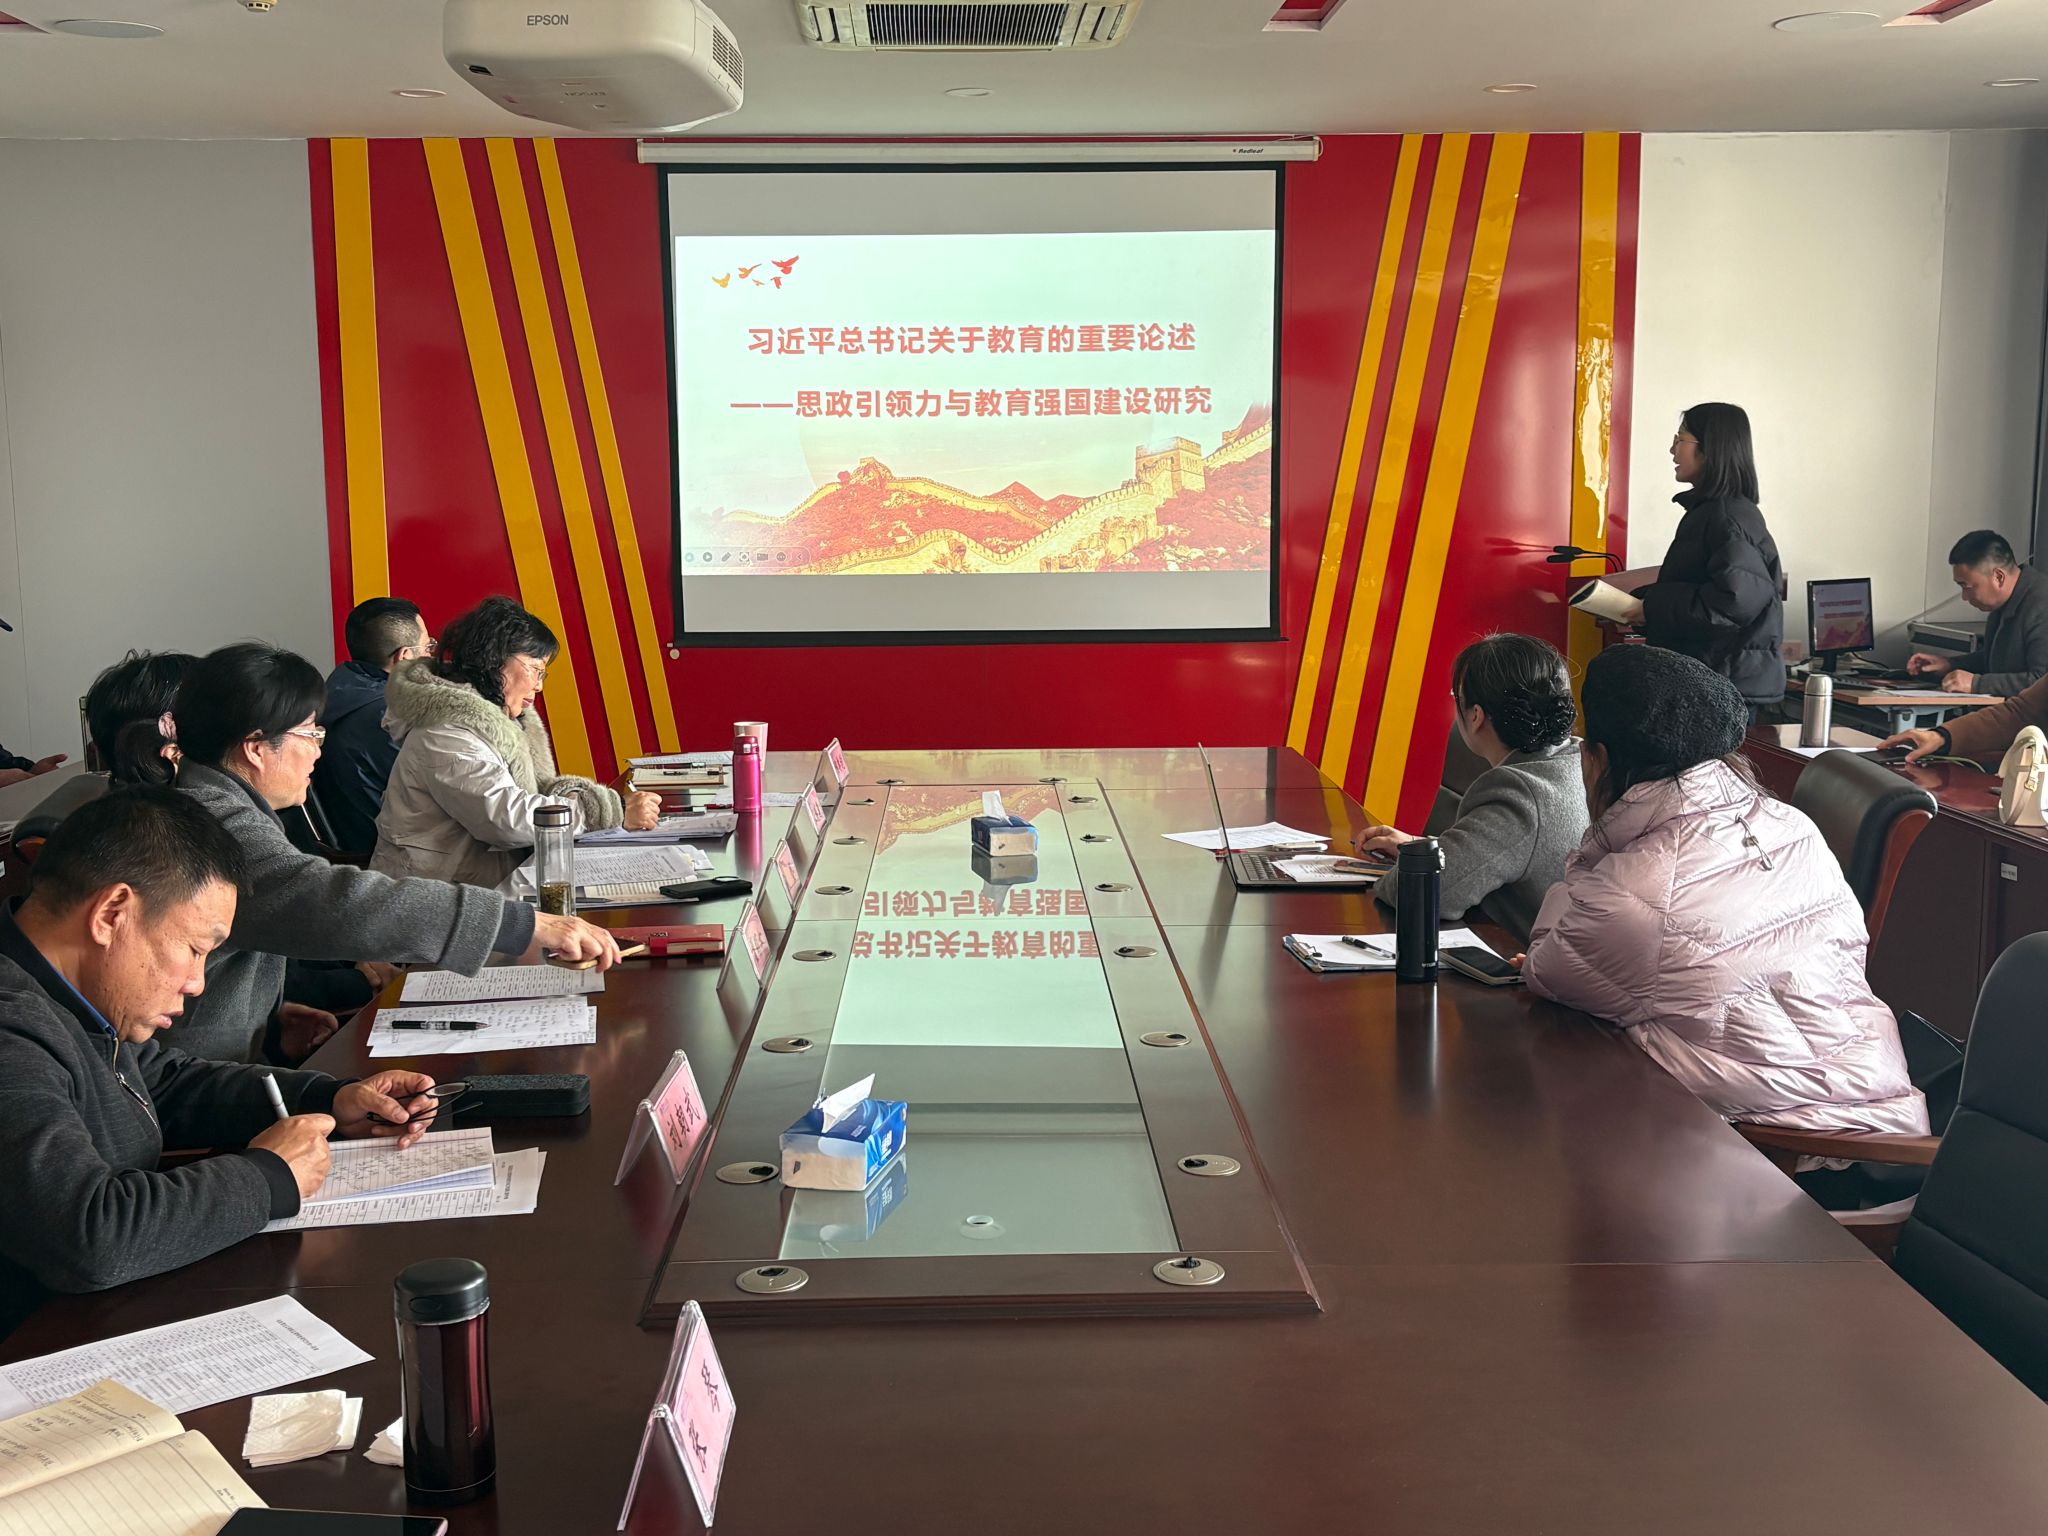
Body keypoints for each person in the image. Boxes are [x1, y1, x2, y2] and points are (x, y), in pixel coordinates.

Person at [0, 788, 441, 1338]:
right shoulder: (11, 1027)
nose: (197, 983)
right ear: (112, 914)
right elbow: (88, 1235)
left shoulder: (66, 994)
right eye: (194, 949)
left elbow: (162, 1083)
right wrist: (269, 1177)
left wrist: (329, 1100)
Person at [123, 641, 621, 1064]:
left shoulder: (213, 804)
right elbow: (322, 898)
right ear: (256, 748)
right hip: (199, 1087)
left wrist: (272, 1019)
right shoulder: (213, 825)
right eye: (310, 733)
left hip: (234, 1065)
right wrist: (519, 924)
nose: (318, 749)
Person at [1522, 645, 1927, 1162]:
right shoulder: (1792, 825)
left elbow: (1547, 967)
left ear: (1597, 758)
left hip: (1782, 1153)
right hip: (1883, 1108)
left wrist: (1585, 869)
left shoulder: (1628, 895)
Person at [86, 648, 396, 1022]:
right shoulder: (200, 830)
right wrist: (353, 979)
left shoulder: (137, 816)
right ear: (176, 749)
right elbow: (311, 902)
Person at [374, 596, 661, 891]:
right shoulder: (445, 731)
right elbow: (503, 818)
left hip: (474, 888)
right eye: (536, 669)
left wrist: (582, 798)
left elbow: (526, 794)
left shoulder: (497, 720)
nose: (539, 685)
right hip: (429, 900)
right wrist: (607, 812)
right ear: (494, 659)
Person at [1355, 634, 1588, 943]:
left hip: (1522, 966)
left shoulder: (1519, 794)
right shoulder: (1580, 762)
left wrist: (1412, 867)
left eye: (1457, 697)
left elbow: (1421, 893)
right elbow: (1508, 850)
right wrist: (1421, 848)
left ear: (1476, 716)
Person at [1615, 402, 1785, 709]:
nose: (1672, 450)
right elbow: (1702, 589)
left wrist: (1651, 608)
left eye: (1680, 439)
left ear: (1710, 449)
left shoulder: (1726, 516)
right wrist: (1643, 606)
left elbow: (1732, 603)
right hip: (1711, 683)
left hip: (1719, 691)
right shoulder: (1715, 512)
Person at [314, 596, 435, 855]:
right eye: (427, 647)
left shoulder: (336, 690)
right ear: (404, 657)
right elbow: (440, 794)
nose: (430, 657)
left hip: (354, 841)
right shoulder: (391, 715)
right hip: (394, 854)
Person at [1904, 530, 2048, 698]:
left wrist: (1977, 684)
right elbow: (1995, 662)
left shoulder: (2042, 605)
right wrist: (1949, 664)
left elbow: (2040, 682)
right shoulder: (2004, 603)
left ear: (1998, 577)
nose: (1965, 597)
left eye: (1966, 587)